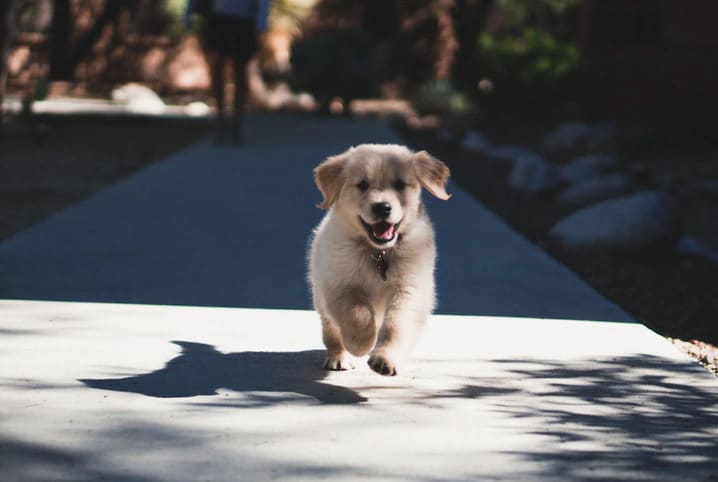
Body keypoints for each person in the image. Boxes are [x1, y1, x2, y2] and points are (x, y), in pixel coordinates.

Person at [186, 0, 271, 144]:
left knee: (240, 71)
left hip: (243, 20)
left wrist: (261, 20)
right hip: (218, 18)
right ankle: (221, 120)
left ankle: (237, 123)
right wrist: (189, 12)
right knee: (217, 69)